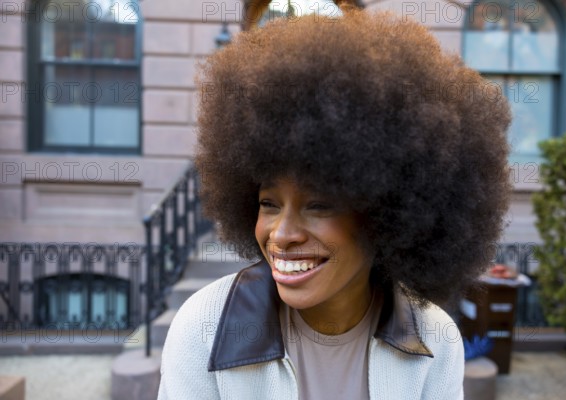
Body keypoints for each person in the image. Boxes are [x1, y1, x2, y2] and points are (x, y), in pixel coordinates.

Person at [158, 8, 511, 400]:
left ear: (385, 213)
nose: (282, 234)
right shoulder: (204, 327)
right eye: (269, 204)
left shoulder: (435, 340)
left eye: (319, 205)